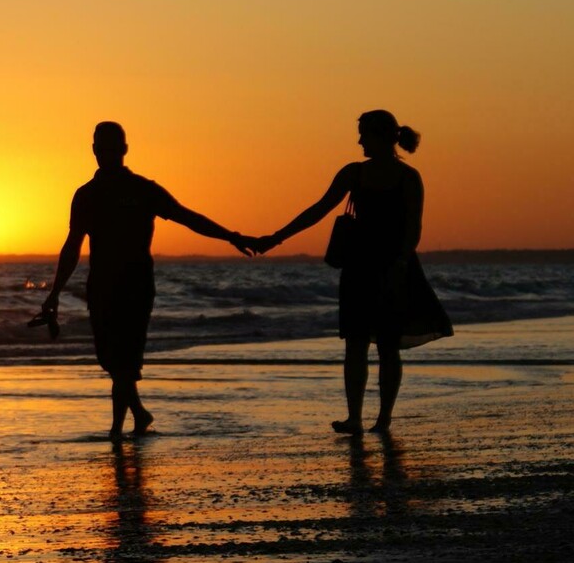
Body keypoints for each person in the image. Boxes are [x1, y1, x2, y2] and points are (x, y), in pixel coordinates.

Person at [39, 121, 253, 439]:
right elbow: (73, 245)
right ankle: (140, 413)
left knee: (125, 361)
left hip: (136, 285)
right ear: (94, 150)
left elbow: (188, 217)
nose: (106, 152)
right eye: (101, 146)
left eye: (113, 147)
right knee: (111, 360)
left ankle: (116, 431)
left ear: (124, 150)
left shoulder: (142, 189)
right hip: (100, 286)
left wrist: (230, 237)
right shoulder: (86, 195)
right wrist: (54, 292)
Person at [254, 110, 452, 435]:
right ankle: (359, 418)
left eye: (363, 133)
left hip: (389, 267)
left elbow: (413, 227)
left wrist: (400, 265)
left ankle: (380, 419)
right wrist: (276, 238)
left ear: (380, 136)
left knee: (382, 345)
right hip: (367, 267)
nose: (359, 140)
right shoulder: (359, 174)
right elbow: (318, 210)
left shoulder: (406, 177)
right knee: (360, 344)